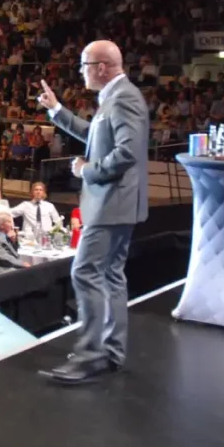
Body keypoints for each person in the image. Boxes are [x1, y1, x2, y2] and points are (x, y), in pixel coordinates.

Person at [37, 39, 149, 384]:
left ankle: (90, 356)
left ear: (102, 66)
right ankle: (110, 352)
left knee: (85, 272)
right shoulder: (114, 98)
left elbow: (126, 154)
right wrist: (57, 111)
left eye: (84, 65)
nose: (81, 71)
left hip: (111, 203)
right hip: (115, 204)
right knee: (111, 276)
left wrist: (87, 170)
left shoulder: (125, 98)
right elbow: (93, 135)